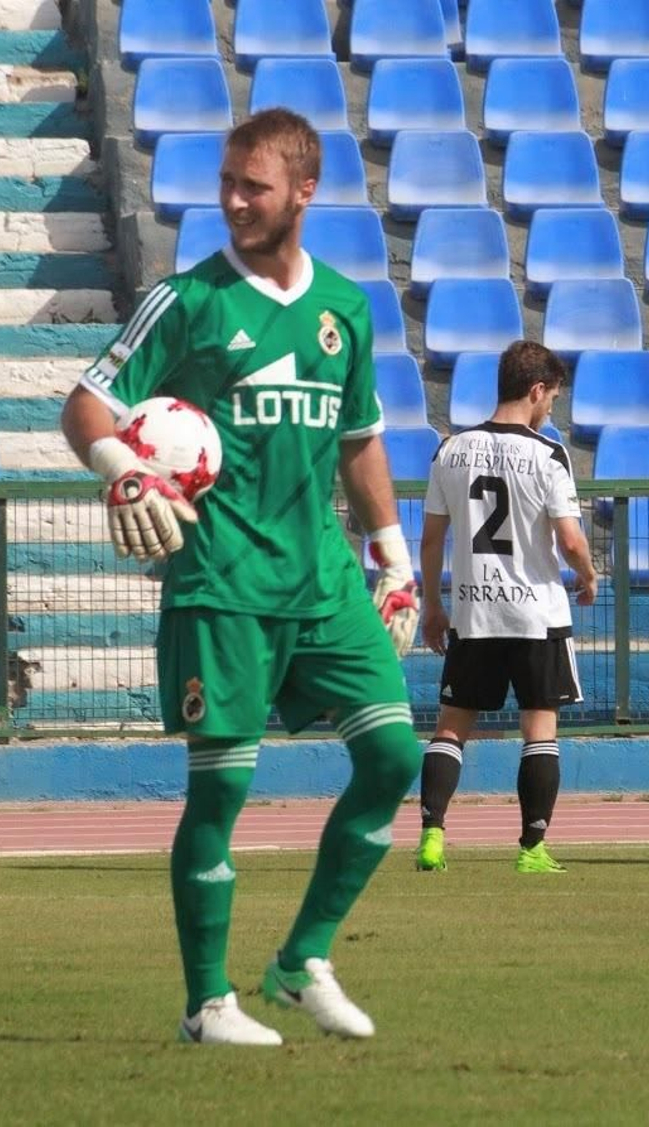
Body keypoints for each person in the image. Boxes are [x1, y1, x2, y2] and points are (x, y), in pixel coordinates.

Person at [60, 109, 422, 1046]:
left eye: (251, 186)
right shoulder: (188, 300)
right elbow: (87, 405)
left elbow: (361, 440)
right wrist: (124, 469)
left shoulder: (344, 306)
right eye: (226, 182)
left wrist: (396, 557)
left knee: (395, 758)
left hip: (327, 583)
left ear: (305, 191)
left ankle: (303, 960)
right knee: (220, 791)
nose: (231, 200)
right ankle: (207, 1003)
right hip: (219, 582)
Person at [414, 341, 599, 875]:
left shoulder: (449, 449)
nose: (550, 410)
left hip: (473, 611)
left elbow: (430, 540)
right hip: (536, 614)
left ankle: (432, 836)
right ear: (537, 389)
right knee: (539, 729)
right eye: (552, 399)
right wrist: (587, 575)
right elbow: (568, 539)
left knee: (451, 727)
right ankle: (531, 848)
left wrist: (433, 605)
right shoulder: (547, 453)